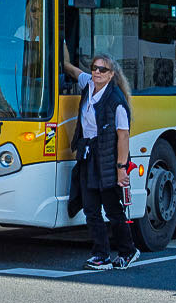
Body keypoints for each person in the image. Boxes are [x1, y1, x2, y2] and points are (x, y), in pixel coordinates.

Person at [57, 52, 138, 271]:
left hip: (109, 159)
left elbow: (123, 136)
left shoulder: (117, 101)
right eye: (94, 68)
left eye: (102, 69)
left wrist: (122, 168)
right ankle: (101, 254)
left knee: (112, 209)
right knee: (90, 208)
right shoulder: (89, 85)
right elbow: (72, 70)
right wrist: (63, 51)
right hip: (88, 155)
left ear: (111, 74)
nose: (96, 73)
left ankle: (127, 250)